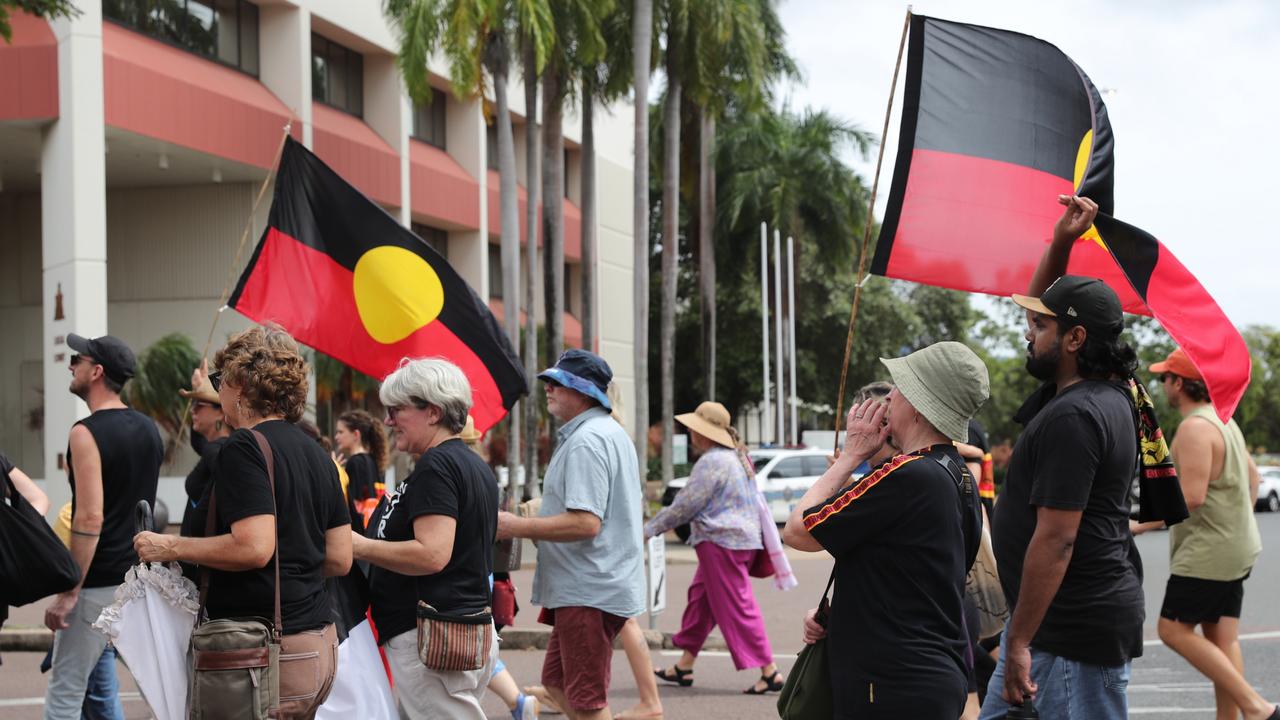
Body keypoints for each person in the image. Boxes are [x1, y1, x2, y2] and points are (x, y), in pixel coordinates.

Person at [978, 195, 1146, 720]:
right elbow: (1039, 307)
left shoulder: (1076, 415)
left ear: (1075, 338)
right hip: (1049, 627)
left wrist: (1020, 640)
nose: (1028, 332)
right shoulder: (1096, 391)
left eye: (1042, 328)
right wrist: (1061, 243)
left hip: (1069, 635)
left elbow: (1058, 537)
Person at [134, 326, 352, 719]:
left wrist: (170, 546)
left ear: (240, 385)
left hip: (263, 651)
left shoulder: (244, 446)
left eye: (220, 382)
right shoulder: (317, 453)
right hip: (318, 643)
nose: (219, 394)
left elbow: (253, 546)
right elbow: (339, 557)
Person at [783, 341, 987, 719]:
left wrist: (851, 455)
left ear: (918, 404)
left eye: (899, 386)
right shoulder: (956, 471)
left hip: (890, 681)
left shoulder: (906, 474)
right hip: (927, 675)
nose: (890, 395)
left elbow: (797, 531)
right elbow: (906, 575)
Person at [496, 349, 646, 720]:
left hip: (589, 589)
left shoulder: (587, 440)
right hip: (591, 587)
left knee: (586, 699)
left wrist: (516, 524)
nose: (548, 388)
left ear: (584, 393)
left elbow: (585, 523)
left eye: (558, 383)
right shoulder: (604, 433)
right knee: (561, 686)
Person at [350, 358, 499, 719]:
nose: (388, 420)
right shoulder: (469, 463)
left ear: (432, 412)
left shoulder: (438, 465)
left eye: (397, 409)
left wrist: (356, 545)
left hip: (432, 637)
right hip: (451, 630)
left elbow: (432, 554)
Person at [1136, 347, 1276, 720]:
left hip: (1209, 551)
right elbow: (1254, 478)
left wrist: (1138, 524)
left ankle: (1258, 708)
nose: (1162, 383)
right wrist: (1236, 522)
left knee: (1171, 629)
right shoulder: (1223, 419)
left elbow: (1191, 498)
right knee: (1222, 638)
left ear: (1179, 383)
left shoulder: (1196, 427)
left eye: (1165, 377)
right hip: (1236, 545)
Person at [44, 333, 163, 720]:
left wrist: (69, 590)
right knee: (156, 688)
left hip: (97, 583)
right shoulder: (149, 429)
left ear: (97, 372)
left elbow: (90, 517)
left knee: (65, 693)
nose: (70, 365)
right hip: (139, 576)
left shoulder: (85, 432)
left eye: (77, 359)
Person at [646, 401, 784, 695]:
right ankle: (684, 665)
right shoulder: (737, 457)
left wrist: (648, 529)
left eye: (694, 428)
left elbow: (685, 505)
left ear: (703, 433)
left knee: (737, 606)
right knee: (701, 600)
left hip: (722, 542)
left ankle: (769, 670)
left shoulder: (713, 461)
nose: (691, 433)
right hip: (739, 541)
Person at [178, 359, 232, 546]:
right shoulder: (215, 447)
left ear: (220, 412)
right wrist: (198, 389)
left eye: (199, 405)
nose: (193, 410)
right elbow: (198, 442)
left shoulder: (219, 450)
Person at [334, 409, 388, 529]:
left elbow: (351, 503)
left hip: (360, 530)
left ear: (356, 435)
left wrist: (334, 472)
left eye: (340, 432)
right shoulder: (374, 460)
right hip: (374, 526)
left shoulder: (355, 462)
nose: (336, 437)